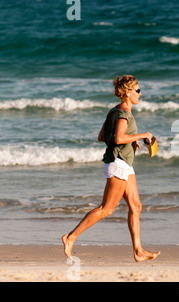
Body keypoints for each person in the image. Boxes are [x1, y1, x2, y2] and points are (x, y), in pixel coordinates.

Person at [62, 75, 160, 262]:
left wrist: (131, 141)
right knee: (106, 209)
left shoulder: (114, 112)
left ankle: (138, 251)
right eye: (137, 90)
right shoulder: (124, 114)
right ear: (127, 93)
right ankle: (70, 237)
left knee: (136, 206)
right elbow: (117, 139)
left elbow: (102, 137)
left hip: (124, 163)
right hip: (119, 164)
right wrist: (141, 136)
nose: (140, 94)